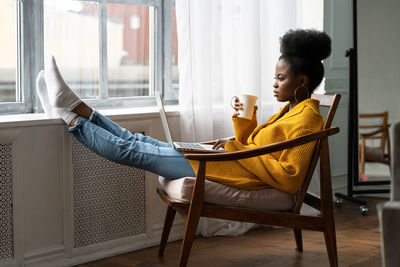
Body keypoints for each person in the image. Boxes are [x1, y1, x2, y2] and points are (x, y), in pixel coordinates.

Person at [37, 29, 331, 194]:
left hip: (227, 169)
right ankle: (77, 108)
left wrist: (234, 149)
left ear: (301, 81)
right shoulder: (292, 110)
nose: (274, 83)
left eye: (280, 78)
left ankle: (70, 116)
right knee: (137, 141)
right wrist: (244, 123)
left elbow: (290, 177)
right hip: (227, 161)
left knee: (131, 149)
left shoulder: (307, 120)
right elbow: (257, 147)